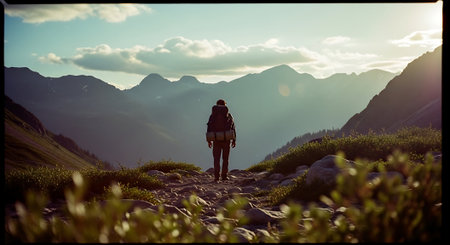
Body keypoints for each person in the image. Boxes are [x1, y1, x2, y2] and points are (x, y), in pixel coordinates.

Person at [206, 99, 236, 182]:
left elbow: (209, 127)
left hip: (216, 139)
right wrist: (234, 140)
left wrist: (209, 140)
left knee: (216, 159)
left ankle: (216, 177)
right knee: (225, 159)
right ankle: (224, 176)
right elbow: (233, 128)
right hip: (226, 140)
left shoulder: (213, 116)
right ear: (225, 105)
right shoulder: (228, 115)